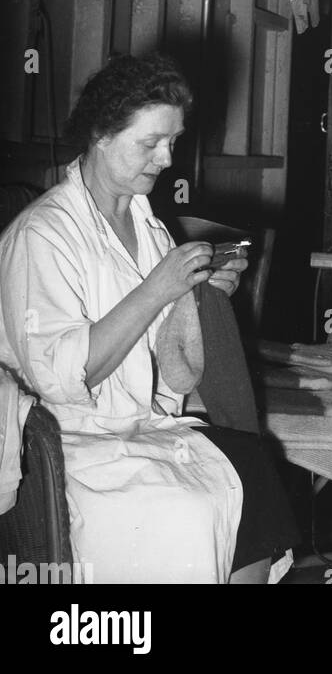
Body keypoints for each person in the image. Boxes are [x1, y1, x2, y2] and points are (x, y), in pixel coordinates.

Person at [0, 53, 297, 584]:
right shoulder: (42, 235)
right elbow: (62, 378)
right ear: (100, 135)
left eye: (173, 142)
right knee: (191, 509)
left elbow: (176, 377)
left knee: (252, 472)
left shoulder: (151, 230)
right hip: (65, 442)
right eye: (149, 143)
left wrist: (195, 300)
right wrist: (158, 287)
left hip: (139, 426)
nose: (165, 159)